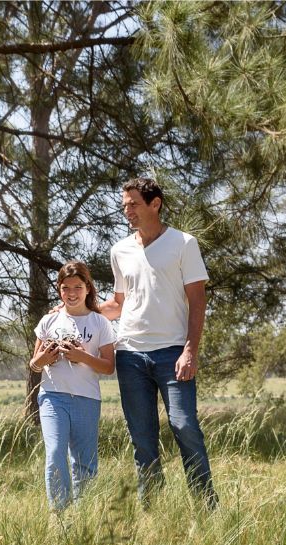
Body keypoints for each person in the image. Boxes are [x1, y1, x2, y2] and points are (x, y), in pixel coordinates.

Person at [99, 177, 218, 510]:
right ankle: (153, 512)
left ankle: (207, 508)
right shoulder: (119, 250)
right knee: (142, 439)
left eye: (133, 204)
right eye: (124, 205)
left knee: (184, 426)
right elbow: (118, 304)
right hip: (130, 355)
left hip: (173, 354)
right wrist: (75, 308)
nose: (127, 211)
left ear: (156, 203)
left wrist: (190, 351)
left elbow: (198, 300)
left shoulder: (184, 243)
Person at [31, 261, 117, 511]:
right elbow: (34, 364)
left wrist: (83, 357)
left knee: (85, 463)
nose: (72, 293)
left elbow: (109, 366)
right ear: (59, 290)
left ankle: (83, 515)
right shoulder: (49, 321)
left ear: (88, 288)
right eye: (66, 287)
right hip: (52, 397)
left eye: (78, 287)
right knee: (55, 453)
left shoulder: (100, 323)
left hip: (86, 399)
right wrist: (44, 360)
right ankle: (59, 515)